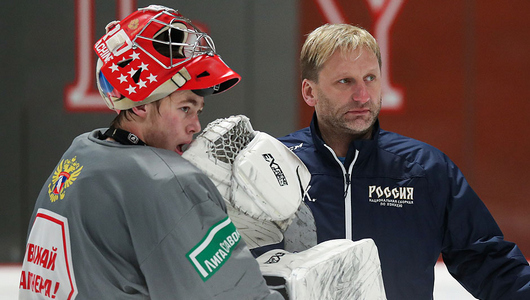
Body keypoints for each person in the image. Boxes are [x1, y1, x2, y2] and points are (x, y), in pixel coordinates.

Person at [18, 5, 283, 299]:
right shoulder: (168, 181)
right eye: (185, 108)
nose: (195, 126)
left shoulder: (79, 154)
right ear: (141, 103)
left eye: (198, 111)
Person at [276, 23, 530, 299]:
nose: (362, 95)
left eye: (370, 78)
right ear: (309, 92)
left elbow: (489, 263)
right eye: (345, 81)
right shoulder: (276, 167)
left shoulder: (424, 170)